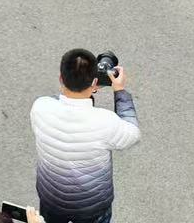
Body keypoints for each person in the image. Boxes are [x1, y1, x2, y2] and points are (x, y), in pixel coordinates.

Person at [30, 49, 138, 223]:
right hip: (92, 208)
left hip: (52, 201)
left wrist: (86, 89)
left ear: (60, 78)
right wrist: (120, 91)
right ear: (95, 82)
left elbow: (64, 103)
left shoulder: (40, 107)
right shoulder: (105, 121)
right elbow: (132, 133)